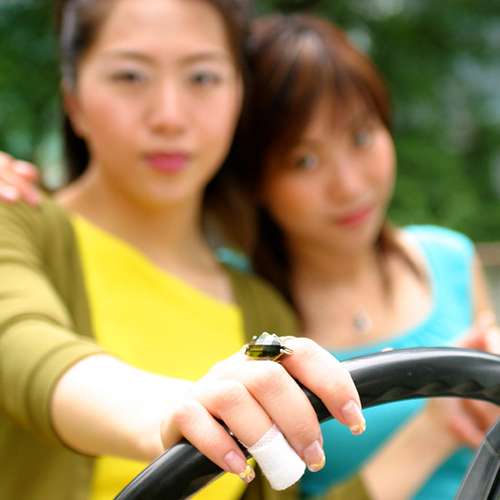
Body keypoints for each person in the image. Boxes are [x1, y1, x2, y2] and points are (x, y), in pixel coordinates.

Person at [2, 8, 499, 500]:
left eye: (203, 77)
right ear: (73, 99)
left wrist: (438, 427)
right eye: (130, 76)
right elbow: (29, 350)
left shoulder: (263, 311)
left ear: (238, 98)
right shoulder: (14, 219)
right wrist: (183, 410)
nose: (170, 116)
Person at [235, 13, 500, 500]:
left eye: (361, 137)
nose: (349, 185)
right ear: (257, 180)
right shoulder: (243, 309)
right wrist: (433, 431)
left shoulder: (449, 259)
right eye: (304, 160)